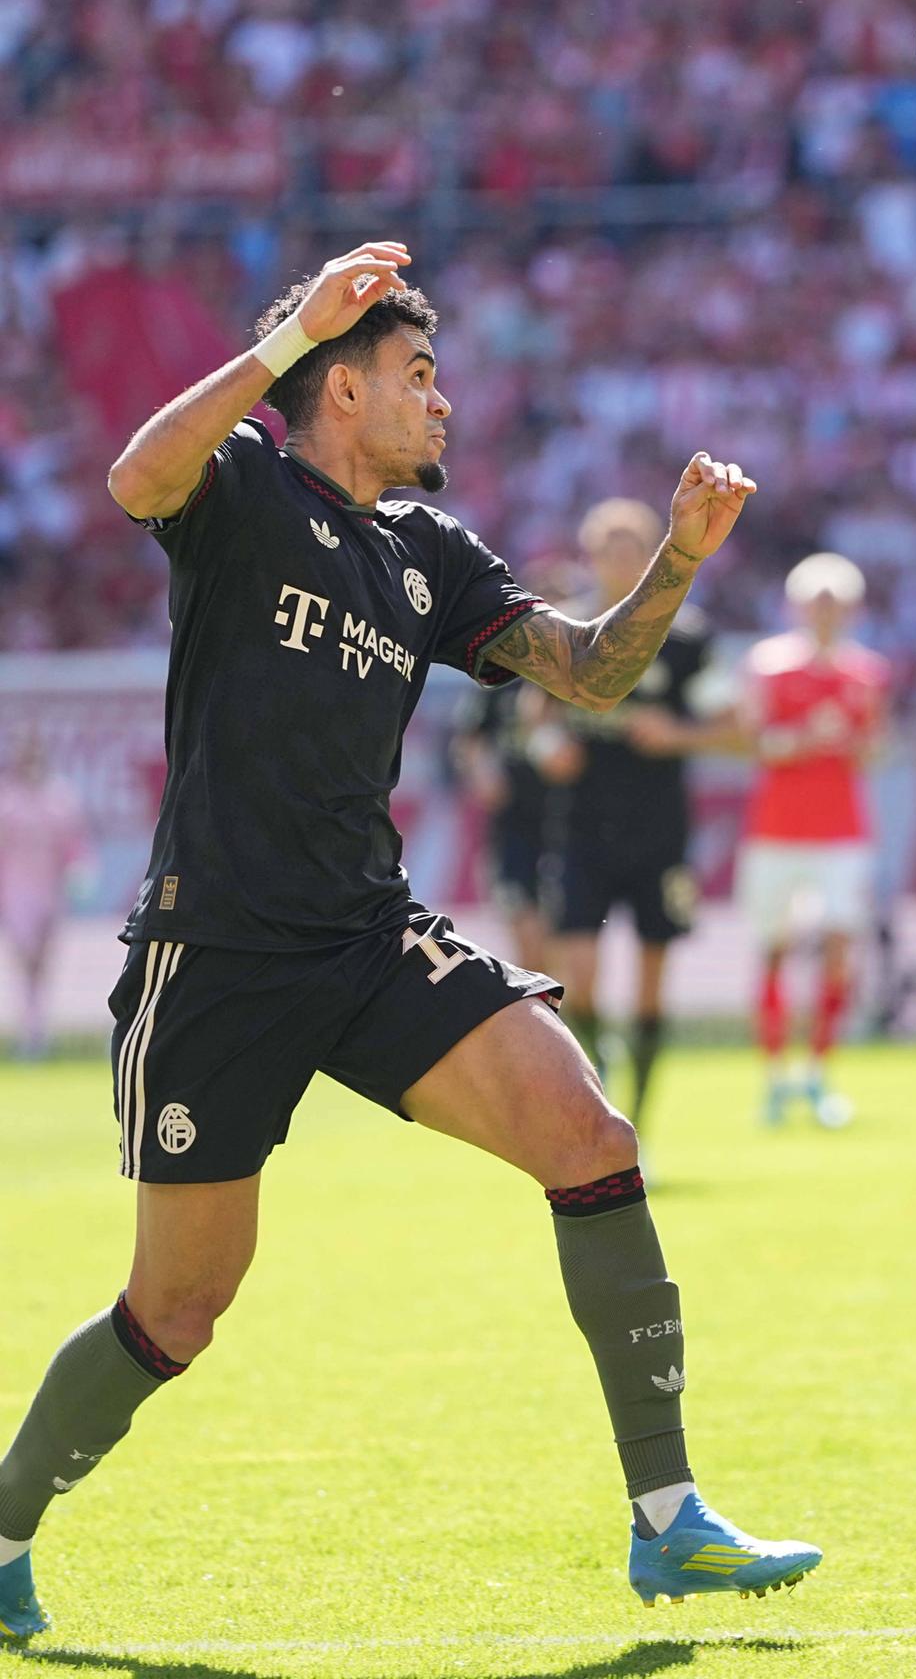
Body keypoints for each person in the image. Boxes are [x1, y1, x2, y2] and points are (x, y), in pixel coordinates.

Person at [0, 242, 819, 1646]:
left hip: (368, 934)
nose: (443, 403)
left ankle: (669, 1520)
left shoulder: (427, 554)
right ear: (337, 388)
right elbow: (137, 477)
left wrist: (678, 564)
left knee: (591, 1137)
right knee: (181, 1309)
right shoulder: (246, 488)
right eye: (417, 376)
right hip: (221, 955)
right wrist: (274, 346)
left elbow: (591, 674)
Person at [534, 498, 713, 1134]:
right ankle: (604, 1094)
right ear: (591, 555)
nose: (619, 558)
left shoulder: (688, 636)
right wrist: (546, 750)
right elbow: (536, 723)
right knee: (578, 979)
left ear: (650, 556)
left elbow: (736, 728)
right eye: (607, 546)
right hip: (581, 828)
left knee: (651, 986)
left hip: (660, 831)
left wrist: (680, 734)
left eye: (632, 546)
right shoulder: (566, 627)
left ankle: (640, 1121)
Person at [734, 554, 889, 1127]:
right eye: (817, 602)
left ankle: (819, 1075)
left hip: (842, 831)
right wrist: (806, 737)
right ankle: (776, 1078)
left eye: (837, 604)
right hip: (776, 830)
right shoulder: (768, 667)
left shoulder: (867, 673)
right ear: (797, 607)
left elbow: (877, 748)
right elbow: (752, 742)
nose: (826, 614)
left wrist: (848, 738)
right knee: (773, 948)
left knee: (838, 951)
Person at [449, 675, 553, 977]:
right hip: (512, 824)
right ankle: (541, 1001)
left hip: (566, 821)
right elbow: (469, 737)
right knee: (523, 919)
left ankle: (558, 1005)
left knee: (561, 929)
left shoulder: (571, 679)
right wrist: (481, 773)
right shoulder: (499, 681)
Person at [0, 733, 89, 1061]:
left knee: (42, 964)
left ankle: (37, 1031)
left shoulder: (59, 798)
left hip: (50, 891)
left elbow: (74, 843)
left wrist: (80, 871)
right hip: (16, 892)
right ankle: (30, 1033)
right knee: (25, 962)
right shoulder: (7, 800)